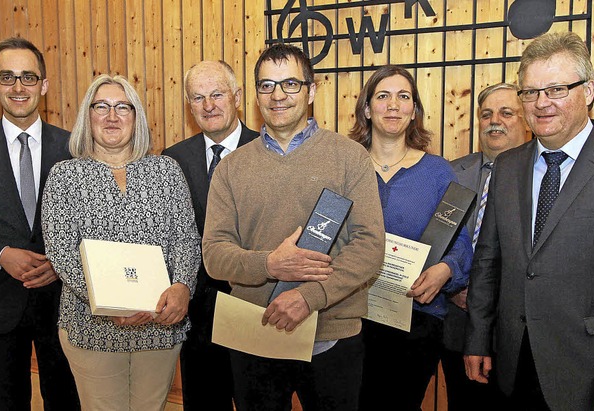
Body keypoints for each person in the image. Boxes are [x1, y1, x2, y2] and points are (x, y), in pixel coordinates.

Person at [201, 43, 385, 411]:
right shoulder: (231, 168)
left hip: (332, 336)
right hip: (255, 334)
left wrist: (307, 297)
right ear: (255, 95)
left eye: (290, 84)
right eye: (267, 86)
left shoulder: (350, 158)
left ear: (311, 90)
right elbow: (214, 256)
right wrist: (270, 265)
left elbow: (369, 247)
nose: (278, 95)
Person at [464, 31, 594, 411]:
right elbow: (488, 262)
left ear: (590, 91)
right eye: (530, 92)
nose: (542, 103)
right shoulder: (507, 166)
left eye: (557, 89)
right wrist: (478, 338)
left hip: (590, 371)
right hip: (512, 362)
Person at [41, 74, 201, 411]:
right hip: (92, 326)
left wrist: (183, 285)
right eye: (101, 107)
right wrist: (111, 301)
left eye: (122, 107)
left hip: (159, 325)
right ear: (88, 115)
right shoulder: (64, 176)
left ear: (136, 117)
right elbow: (61, 251)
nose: (112, 116)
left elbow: (186, 238)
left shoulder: (167, 171)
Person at [349, 65, 472, 411]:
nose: (393, 105)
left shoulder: (438, 172)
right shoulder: (345, 166)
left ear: (414, 110)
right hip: (350, 316)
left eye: (404, 97)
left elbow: (460, 242)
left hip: (416, 321)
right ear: (367, 108)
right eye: (383, 96)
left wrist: (446, 269)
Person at [0, 37, 80, 411]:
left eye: (28, 77)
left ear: (44, 85)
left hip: (64, 306)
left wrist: (61, 263)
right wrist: (0, 254)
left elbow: (94, 227)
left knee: (67, 401)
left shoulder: (74, 149)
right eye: (7, 77)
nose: (18, 87)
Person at [162, 60, 258, 411]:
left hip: (255, 307)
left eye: (217, 94)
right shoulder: (172, 159)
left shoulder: (268, 151)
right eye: (197, 97)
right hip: (196, 315)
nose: (208, 105)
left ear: (237, 96)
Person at [441, 82, 526, 411]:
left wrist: (487, 296)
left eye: (507, 113)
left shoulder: (541, 173)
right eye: (486, 114)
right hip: (457, 324)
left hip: (515, 329)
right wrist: (455, 284)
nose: (495, 121)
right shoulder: (452, 173)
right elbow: (436, 239)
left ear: (526, 120)